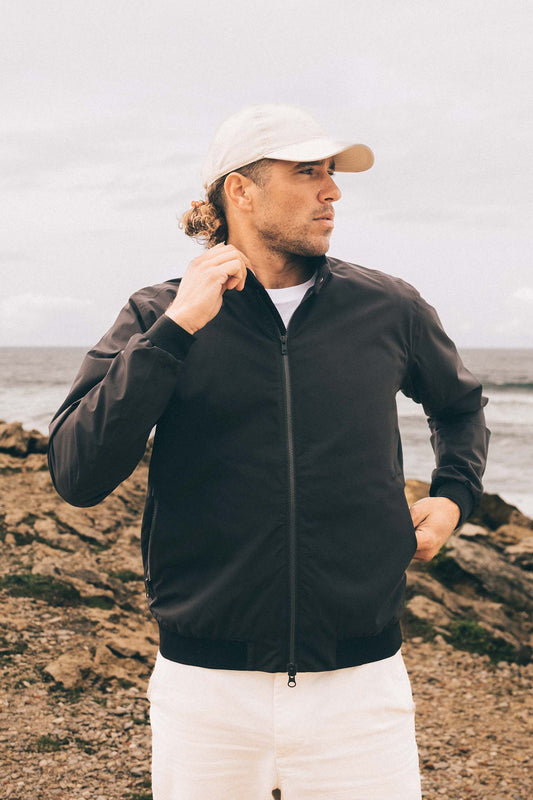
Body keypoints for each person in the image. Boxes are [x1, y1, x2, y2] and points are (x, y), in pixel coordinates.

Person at [48, 103, 489, 800]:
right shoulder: (156, 314)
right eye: (307, 172)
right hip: (205, 693)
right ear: (240, 191)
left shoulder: (388, 307)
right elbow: (77, 472)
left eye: (331, 173)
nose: (332, 191)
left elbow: (460, 407)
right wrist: (176, 331)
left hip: (358, 688)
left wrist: (453, 495)